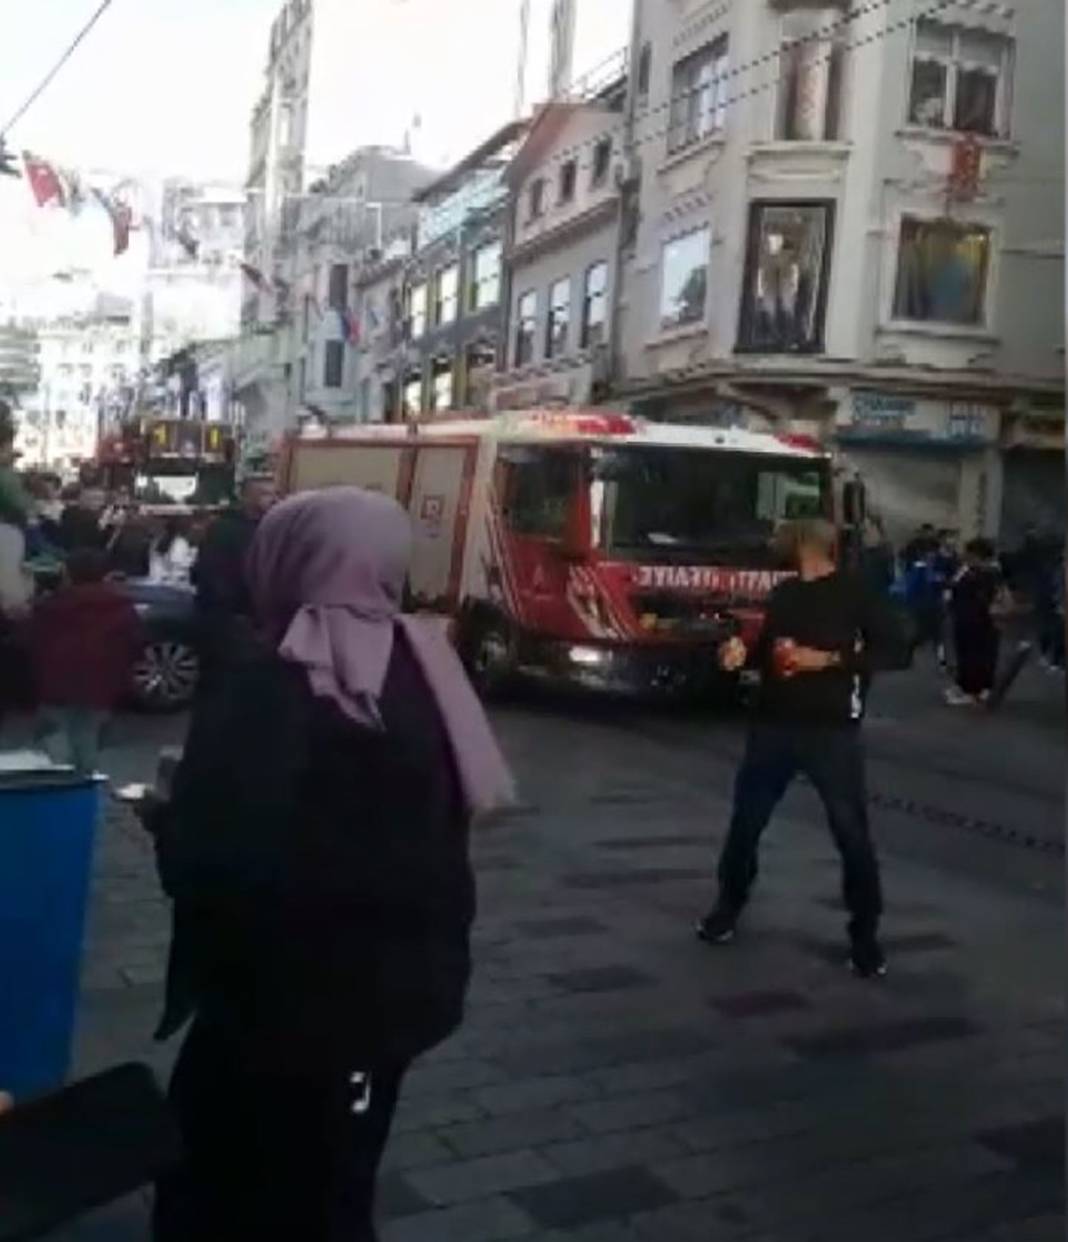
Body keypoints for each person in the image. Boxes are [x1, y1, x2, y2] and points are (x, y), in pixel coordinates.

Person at [148, 487, 513, 1242]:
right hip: (399, 996)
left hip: (279, 1006)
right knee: (339, 1182)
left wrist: (167, 817)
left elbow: (213, 863)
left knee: (226, 1183)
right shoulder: (429, 665)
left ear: (284, 560)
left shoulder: (269, 678)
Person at [697, 518, 911, 979]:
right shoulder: (785, 594)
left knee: (851, 833)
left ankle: (865, 936)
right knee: (746, 823)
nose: (773, 544)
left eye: (782, 538)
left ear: (802, 545)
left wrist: (830, 660)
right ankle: (727, 907)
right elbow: (769, 649)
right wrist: (740, 656)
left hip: (832, 731)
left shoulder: (855, 594)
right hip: (773, 725)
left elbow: (896, 649)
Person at [28, 548, 143, 774]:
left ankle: (58, 787)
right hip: (101, 687)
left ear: (69, 574)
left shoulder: (52, 607)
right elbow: (134, 644)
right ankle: (83, 786)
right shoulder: (122, 607)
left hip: (57, 688)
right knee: (88, 737)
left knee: (52, 740)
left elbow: (32, 642)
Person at [192, 475, 275, 687]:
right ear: (247, 497)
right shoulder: (225, 529)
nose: (271, 499)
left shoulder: (270, 527)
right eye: (264, 493)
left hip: (249, 620)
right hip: (229, 620)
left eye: (272, 493)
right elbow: (210, 571)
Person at [945, 537, 1002, 706]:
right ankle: (967, 687)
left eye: (969, 553)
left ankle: (973, 690)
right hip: (968, 620)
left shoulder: (986, 574)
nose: (965, 556)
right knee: (967, 655)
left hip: (978, 623)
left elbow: (981, 600)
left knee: (976, 656)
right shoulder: (971, 571)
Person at [149, 517, 197, 587]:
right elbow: (179, 565)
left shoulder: (158, 542)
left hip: (162, 581)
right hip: (174, 583)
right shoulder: (180, 543)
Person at [58, 486, 109, 552]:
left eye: (101, 499)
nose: (100, 503)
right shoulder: (75, 515)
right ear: (81, 499)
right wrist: (101, 526)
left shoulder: (95, 516)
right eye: (95, 499)